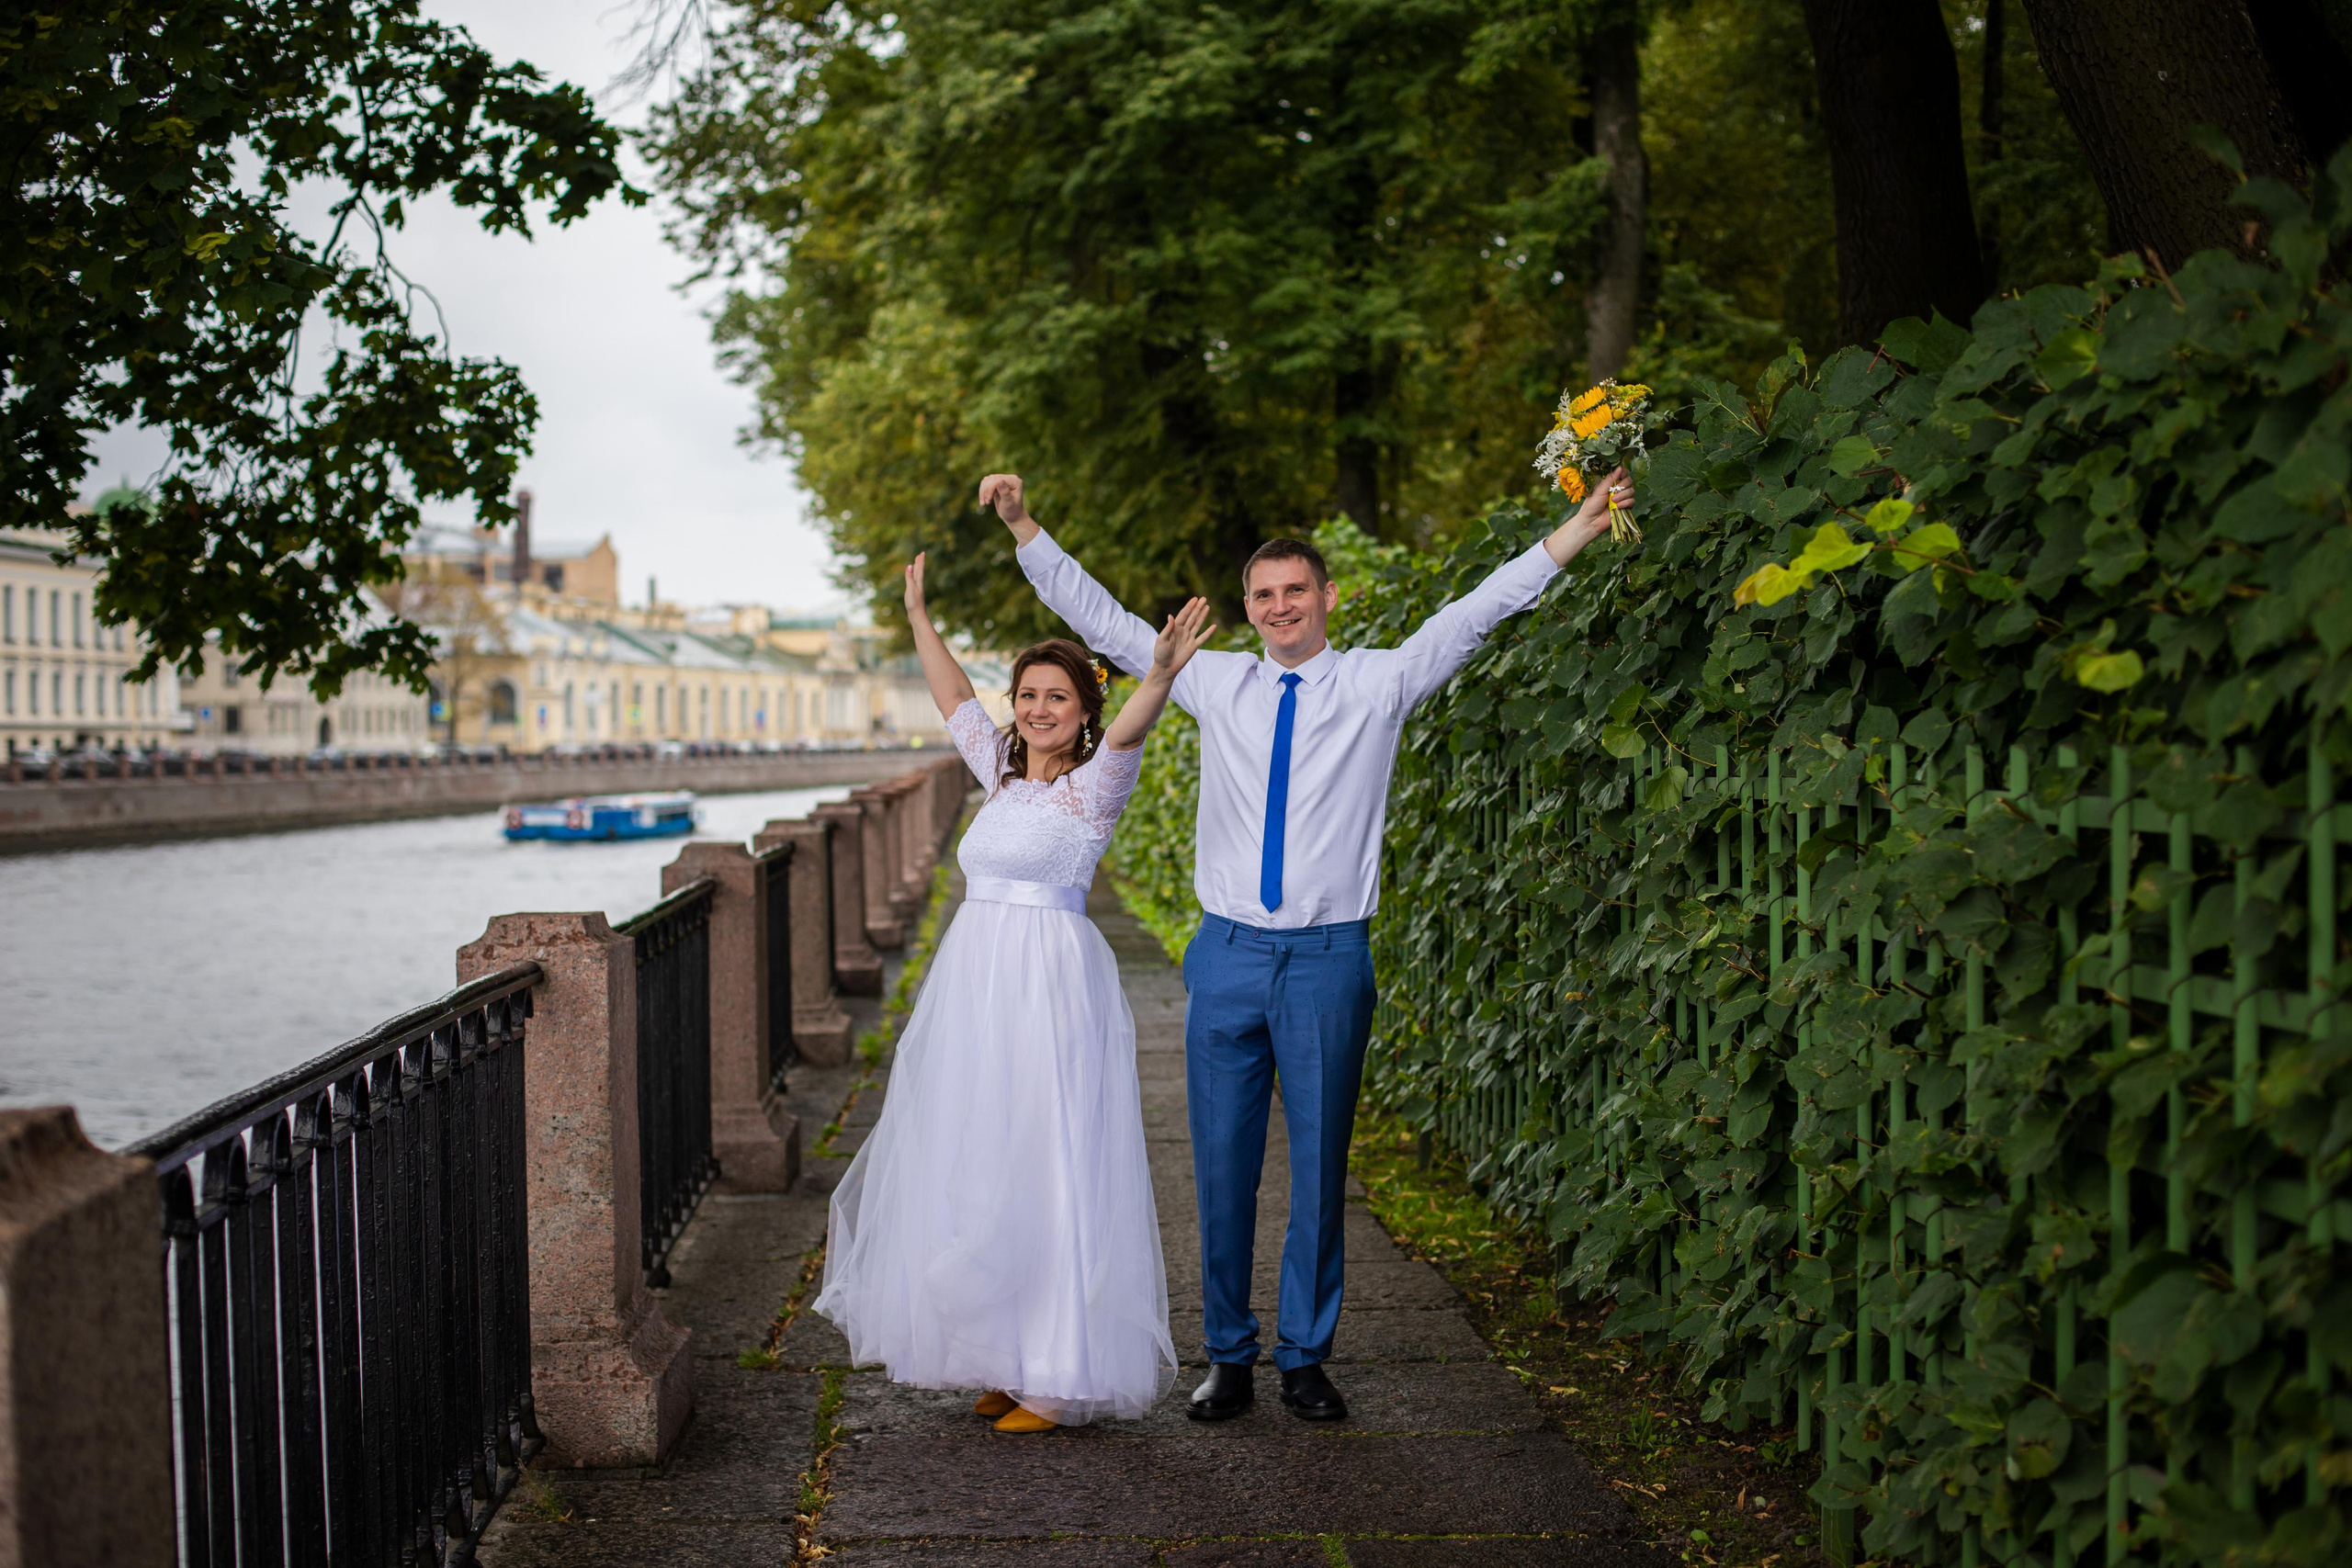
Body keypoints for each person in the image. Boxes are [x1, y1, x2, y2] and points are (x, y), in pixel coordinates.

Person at [982, 465, 1634, 1422]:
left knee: (1322, 1168)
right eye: (1263, 594)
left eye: (1295, 590)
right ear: (1246, 608)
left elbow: (1477, 612)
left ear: (1328, 597)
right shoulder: (1214, 682)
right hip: (1227, 954)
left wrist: (1575, 530)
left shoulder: (1380, 680)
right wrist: (1023, 525)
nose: (1280, 606)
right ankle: (1228, 1357)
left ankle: (1304, 1357)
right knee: (1221, 1167)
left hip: (1328, 958)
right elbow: (1108, 624)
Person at [814, 551, 1217, 1432]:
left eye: (1057, 697)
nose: (1038, 708)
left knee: (1049, 1154)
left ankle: (1057, 1372)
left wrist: (1158, 673)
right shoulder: (997, 769)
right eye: (1028, 694)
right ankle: (1003, 1353)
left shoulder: (1093, 789)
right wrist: (919, 617)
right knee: (983, 1157)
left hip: (1048, 985)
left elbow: (1132, 731)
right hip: (975, 984)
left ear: (1083, 712)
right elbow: (954, 695)